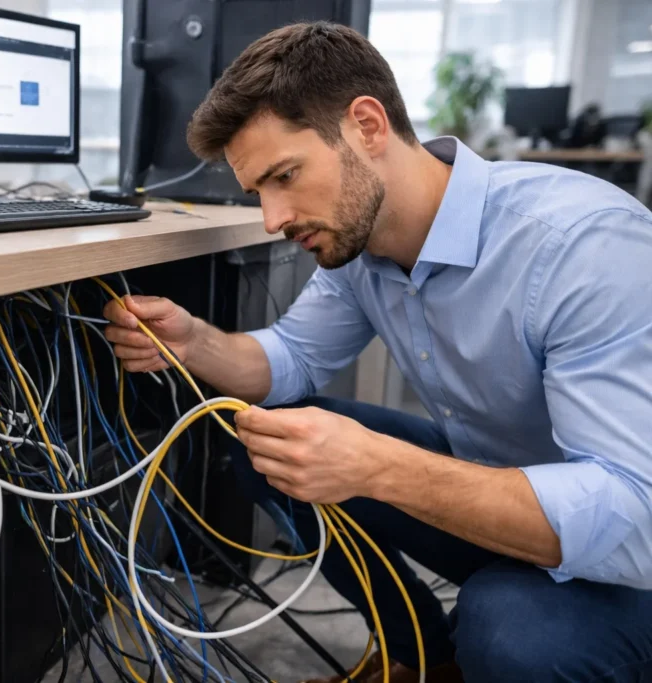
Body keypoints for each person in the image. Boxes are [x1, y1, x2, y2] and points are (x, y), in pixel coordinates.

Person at [103, 22, 652, 683]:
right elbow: (293, 357)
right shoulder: (362, 247)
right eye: (259, 193)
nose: (273, 219)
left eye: (285, 176)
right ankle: (421, 655)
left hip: (630, 560)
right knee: (268, 442)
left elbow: (634, 515)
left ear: (367, 126)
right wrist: (195, 341)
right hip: (503, 482)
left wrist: (378, 466)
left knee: (508, 630)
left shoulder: (583, 245)